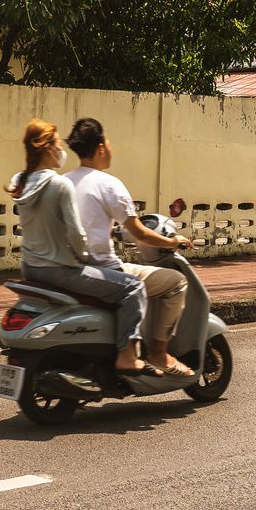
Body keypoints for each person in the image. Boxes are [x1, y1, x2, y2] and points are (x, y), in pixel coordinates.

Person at [7, 118, 157, 377]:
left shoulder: (20, 181)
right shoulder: (59, 183)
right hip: (61, 269)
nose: (61, 150)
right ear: (47, 148)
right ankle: (127, 357)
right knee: (133, 288)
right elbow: (76, 234)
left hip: (31, 269)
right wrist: (85, 257)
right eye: (56, 144)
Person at [64, 117, 193, 378]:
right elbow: (141, 233)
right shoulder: (108, 183)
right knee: (176, 282)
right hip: (102, 269)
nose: (111, 148)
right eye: (108, 142)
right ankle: (158, 353)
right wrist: (172, 241)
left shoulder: (63, 182)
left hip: (68, 268)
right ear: (101, 147)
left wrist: (110, 230)